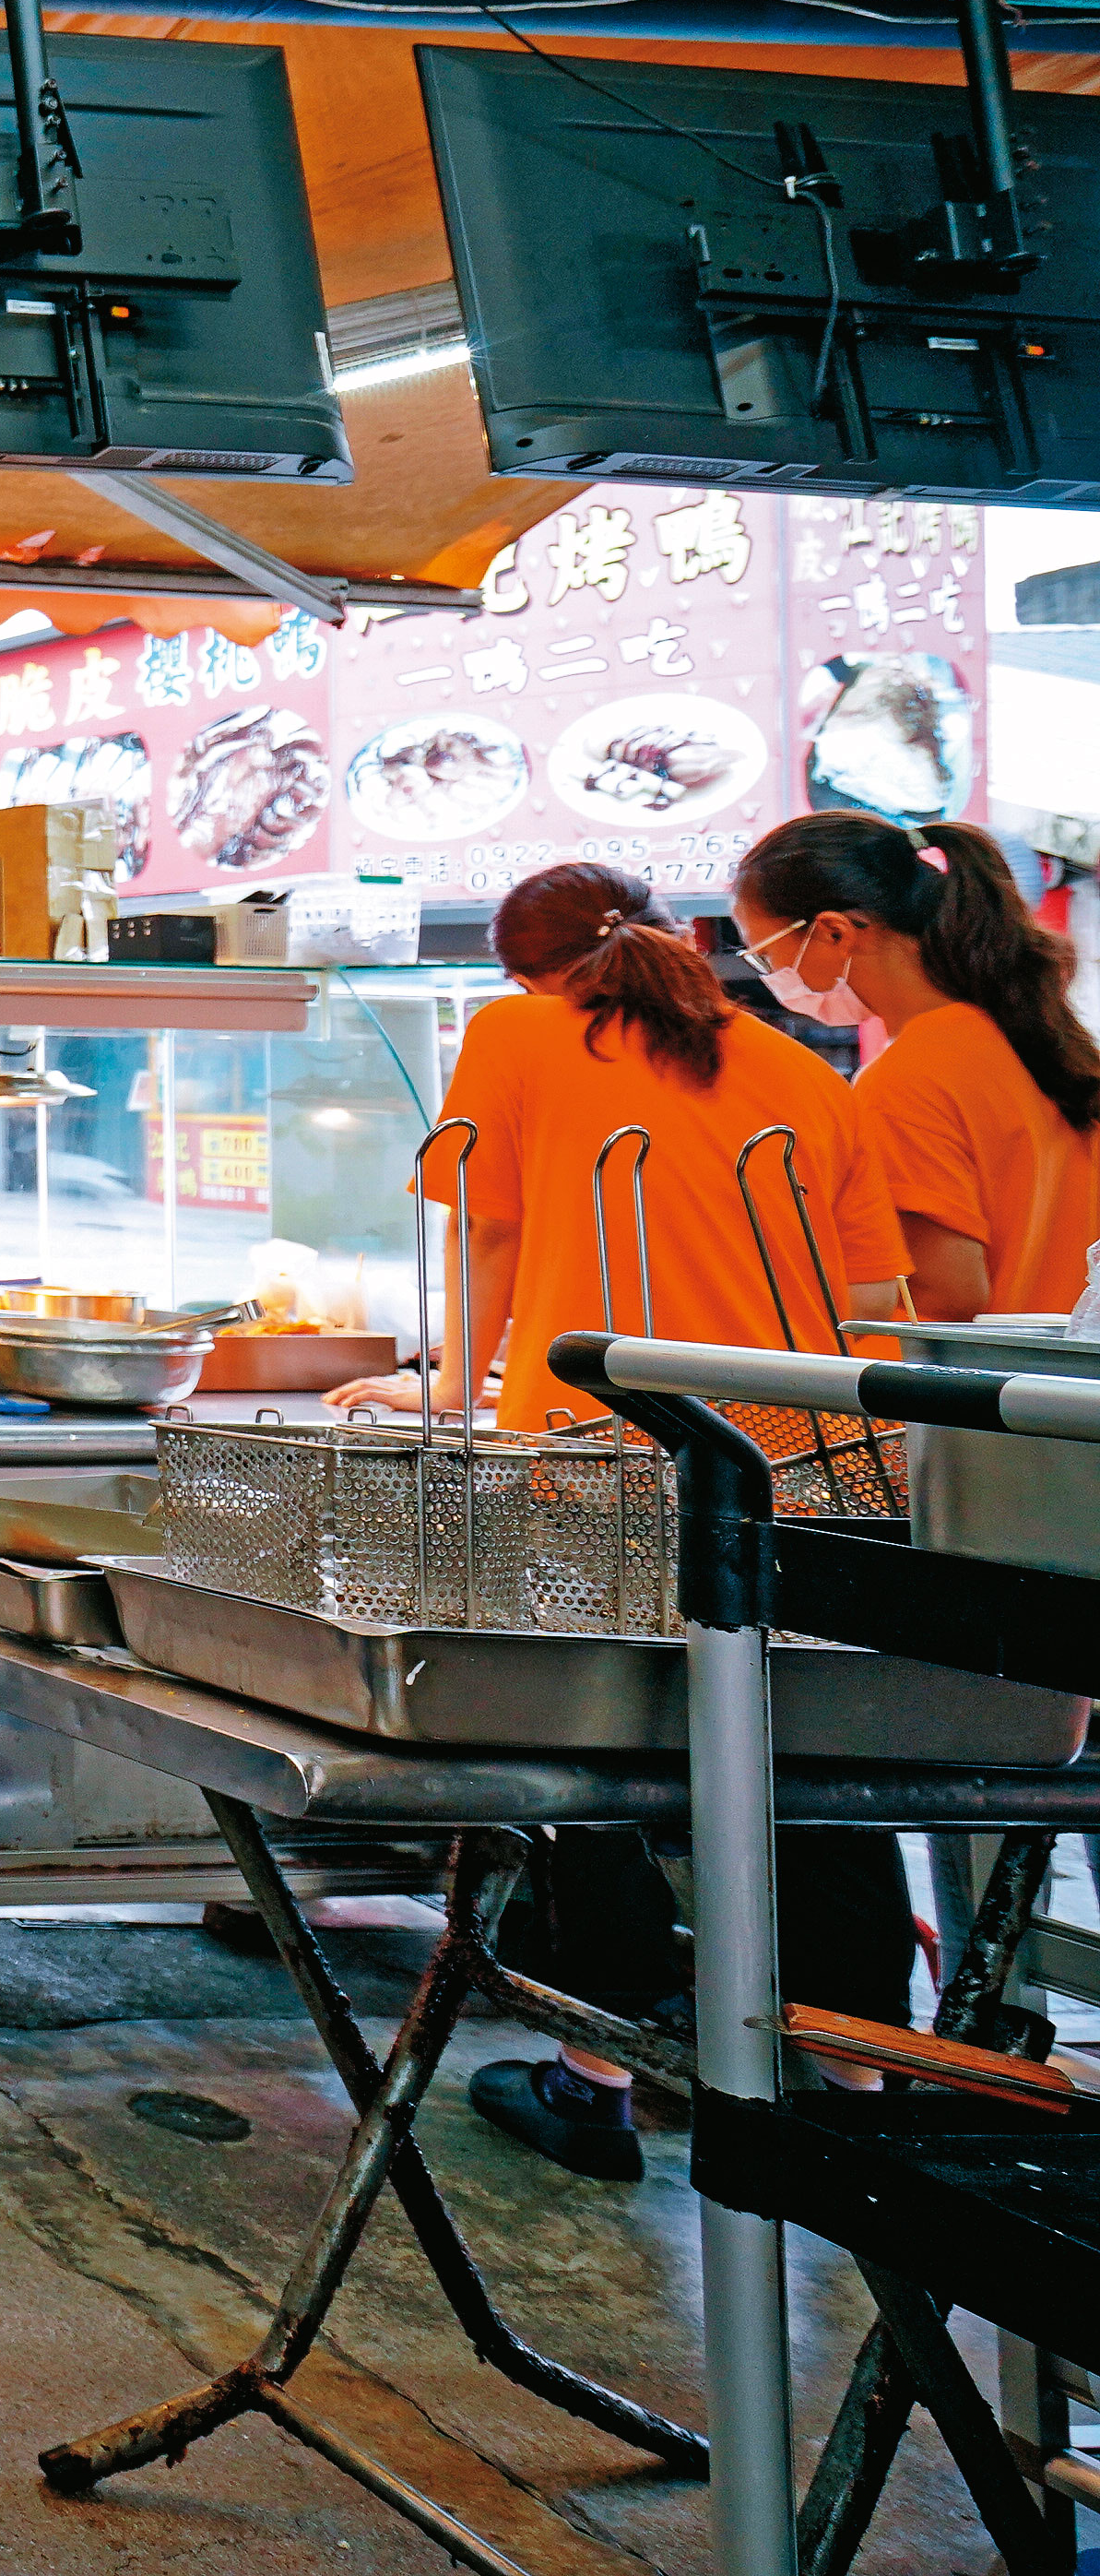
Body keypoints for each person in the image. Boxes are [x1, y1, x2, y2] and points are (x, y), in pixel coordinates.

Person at [328, 861, 907, 2178]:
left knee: (598, 1754)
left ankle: (595, 2078)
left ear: (527, 971)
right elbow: (870, 1286)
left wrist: (443, 1377)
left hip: (602, 1451)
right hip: (804, 1464)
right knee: (814, 1764)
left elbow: (482, 1234)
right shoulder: (804, 1072)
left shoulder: (519, 1032)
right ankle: (867, 2088)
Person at [735, 809, 1100, 1323]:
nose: (773, 979)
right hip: (1063, 1382)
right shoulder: (1031, 1036)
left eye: (766, 957)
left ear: (834, 933)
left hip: (986, 1392)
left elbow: (945, 1295)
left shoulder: (907, 1081)